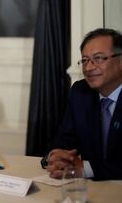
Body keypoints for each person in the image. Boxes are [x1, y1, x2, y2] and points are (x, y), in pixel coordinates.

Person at [42, 28, 122, 180]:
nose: (89, 67)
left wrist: (85, 169)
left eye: (98, 58)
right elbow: (63, 141)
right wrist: (55, 158)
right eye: (84, 60)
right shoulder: (81, 92)